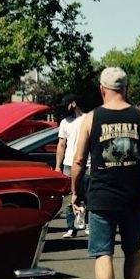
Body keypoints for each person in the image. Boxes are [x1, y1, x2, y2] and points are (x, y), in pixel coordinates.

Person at [64, 67, 140, 279]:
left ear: (102, 89)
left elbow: (77, 160)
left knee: (103, 252)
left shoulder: (91, 118)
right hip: (133, 194)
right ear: (126, 89)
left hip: (101, 195)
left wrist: (76, 192)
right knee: (132, 250)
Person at [54, 99, 85, 234]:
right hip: (68, 163)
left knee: (87, 194)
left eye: (65, 105)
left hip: (86, 161)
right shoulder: (64, 122)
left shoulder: (86, 119)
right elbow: (61, 144)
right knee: (69, 196)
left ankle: (87, 224)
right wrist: (57, 166)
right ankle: (71, 227)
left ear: (73, 103)